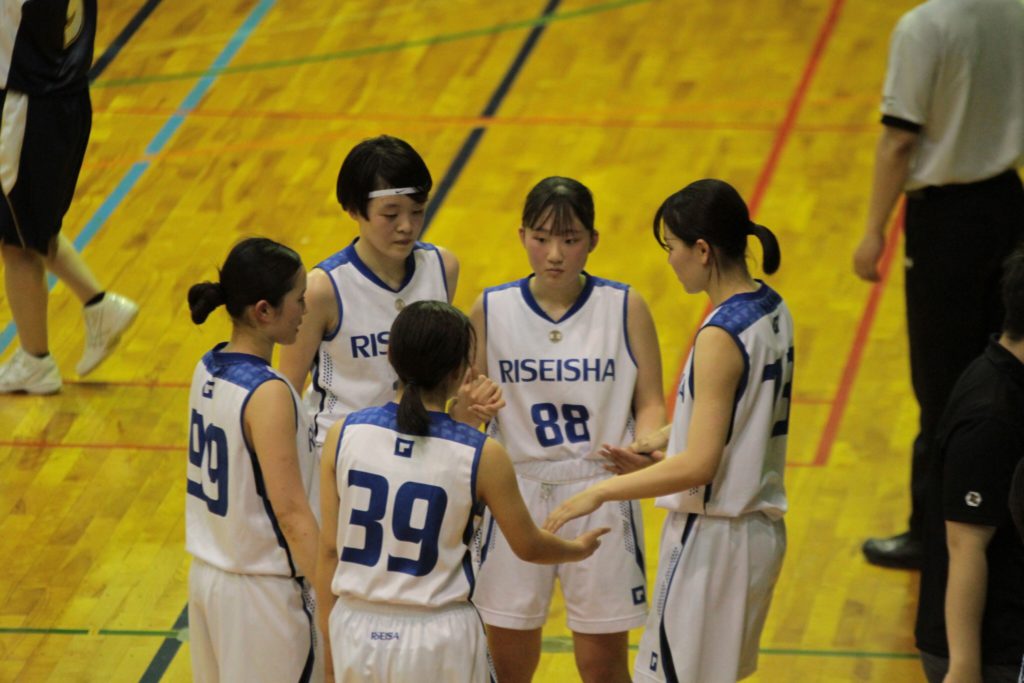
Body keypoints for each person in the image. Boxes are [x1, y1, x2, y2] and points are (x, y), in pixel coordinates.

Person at [545, 179, 793, 683]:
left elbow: (700, 465)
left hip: (714, 541)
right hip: (758, 534)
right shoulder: (771, 307)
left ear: (702, 250)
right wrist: (664, 440)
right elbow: (738, 415)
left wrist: (598, 492)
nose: (670, 260)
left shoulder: (720, 334)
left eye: (672, 247)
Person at [314, 300, 607, 683]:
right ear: (460, 371)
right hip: (438, 635)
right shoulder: (482, 453)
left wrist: (330, 642)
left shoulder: (343, 434)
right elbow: (529, 546)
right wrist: (577, 549)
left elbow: (329, 551)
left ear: (391, 356)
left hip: (354, 627)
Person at [468, 177, 665, 683]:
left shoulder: (625, 306)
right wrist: (470, 409)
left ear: (593, 240)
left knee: (601, 666)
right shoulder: (490, 308)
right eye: (541, 238)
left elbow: (651, 402)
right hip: (514, 488)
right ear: (522, 236)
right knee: (508, 663)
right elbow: (467, 409)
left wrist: (645, 451)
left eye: (570, 239)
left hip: (600, 487)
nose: (554, 254)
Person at [853, 0, 1024, 569]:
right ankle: (1005, 522)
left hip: (946, 225)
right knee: (1008, 367)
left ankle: (931, 535)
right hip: (1007, 202)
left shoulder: (924, 27)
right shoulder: (1016, 13)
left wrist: (873, 231)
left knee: (941, 384)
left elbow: (899, 141)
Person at [279, 135, 499, 448]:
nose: (407, 226)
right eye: (391, 214)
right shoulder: (322, 289)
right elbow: (286, 391)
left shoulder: (442, 267)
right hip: (340, 454)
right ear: (354, 209)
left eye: (417, 211)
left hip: (415, 449)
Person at [185, 238, 322, 683]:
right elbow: (291, 514)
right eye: (298, 299)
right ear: (264, 311)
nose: (305, 310)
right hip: (262, 598)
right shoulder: (269, 393)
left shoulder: (207, 366)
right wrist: (334, 597)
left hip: (208, 580)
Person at [0, 0, 139, 394]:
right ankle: (98, 304)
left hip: (28, 104)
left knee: (15, 242)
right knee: (30, 225)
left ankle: (36, 360)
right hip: (64, 97)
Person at [914, 244, 1024, 683]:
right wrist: (963, 667)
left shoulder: (1007, 375)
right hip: (990, 654)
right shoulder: (991, 417)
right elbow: (965, 545)